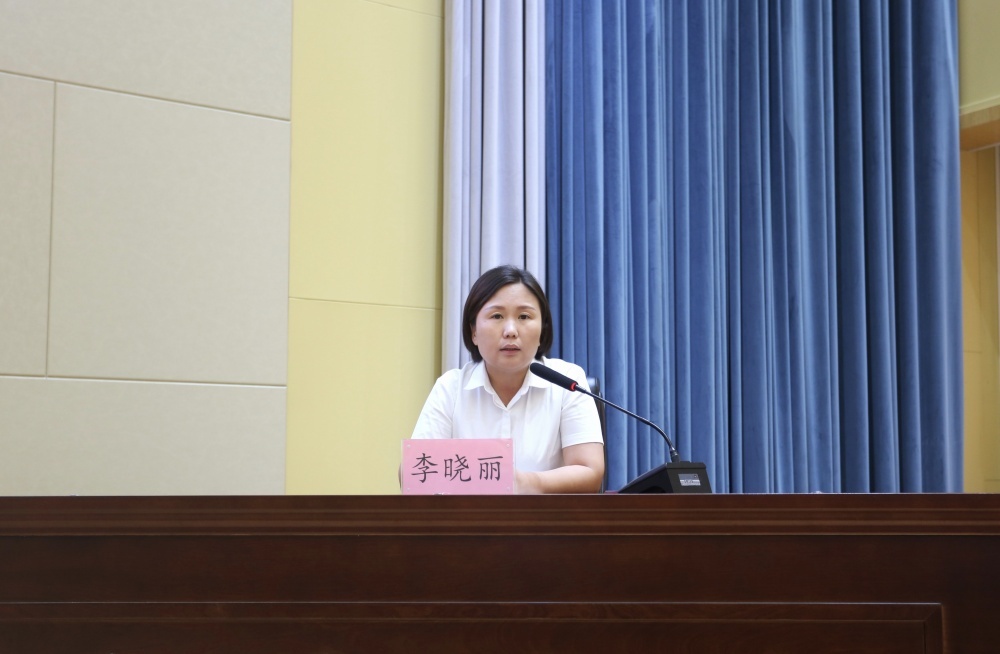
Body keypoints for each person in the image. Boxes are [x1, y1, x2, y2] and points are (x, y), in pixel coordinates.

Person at [409, 265, 605, 494]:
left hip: (547, 517)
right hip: (470, 517)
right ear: (473, 331)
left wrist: (525, 482)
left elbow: (589, 471)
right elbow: (415, 473)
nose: (511, 330)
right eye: (497, 316)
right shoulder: (450, 388)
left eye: (524, 316)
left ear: (542, 330)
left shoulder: (567, 382)